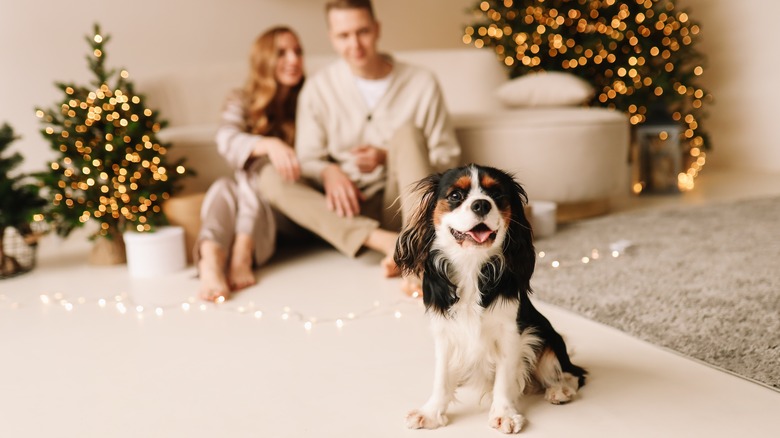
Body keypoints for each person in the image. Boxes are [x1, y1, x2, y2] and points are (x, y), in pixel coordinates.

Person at [257, 0, 461, 293]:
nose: (355, 44)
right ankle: (386, 243)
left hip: (403, 203)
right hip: (346, 209)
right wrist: (328, 172)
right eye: (343, 36)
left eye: (362, 32)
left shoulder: (421, 82)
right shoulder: (318, 88)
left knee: (407, 133)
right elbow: (308, 158)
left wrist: (389, 157)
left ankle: (415, 251)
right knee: (270, 177)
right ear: (331, 37)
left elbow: (449, 157)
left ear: (377, 30)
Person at [197, 26, 305, 302]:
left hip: (288, 209)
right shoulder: (241, 99)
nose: (293, 60)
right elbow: (225, 138)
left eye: (297, 52)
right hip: (251, 203)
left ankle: (242, 251)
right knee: (223, 186)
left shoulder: (309, 100)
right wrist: (269, 143)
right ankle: (211, 258)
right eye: (282, 53)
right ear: (263, 59)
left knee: (260, 172)